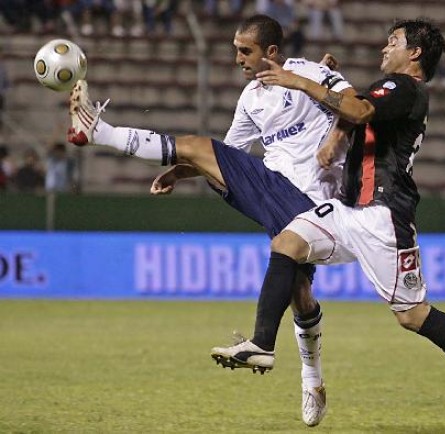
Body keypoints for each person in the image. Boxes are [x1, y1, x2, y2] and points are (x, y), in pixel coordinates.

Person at [210, 19, 445, 428]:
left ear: (415, 54)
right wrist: (329, 97)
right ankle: (262, 343)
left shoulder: (404, 87)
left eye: (394, 41)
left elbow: (357, 107)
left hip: (385, 217)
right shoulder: (388, 88)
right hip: (349, 210)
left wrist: (299, 80)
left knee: (412, 315)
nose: (385, 46)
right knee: (287, 242)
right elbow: (348, 108)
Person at [67, 14, 355, 427]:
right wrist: (180, 170)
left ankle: (99, 133)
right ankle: (313, 382)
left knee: (299, 292)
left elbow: (356, 106)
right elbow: (228, 157)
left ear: (271, 52)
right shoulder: (251, 98)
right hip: (280, 200)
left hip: (316, 202)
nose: (236, 57)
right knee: (300, 293)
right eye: (235, 49)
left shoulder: (308, 73)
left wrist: (332, 136)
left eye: (246, 50)